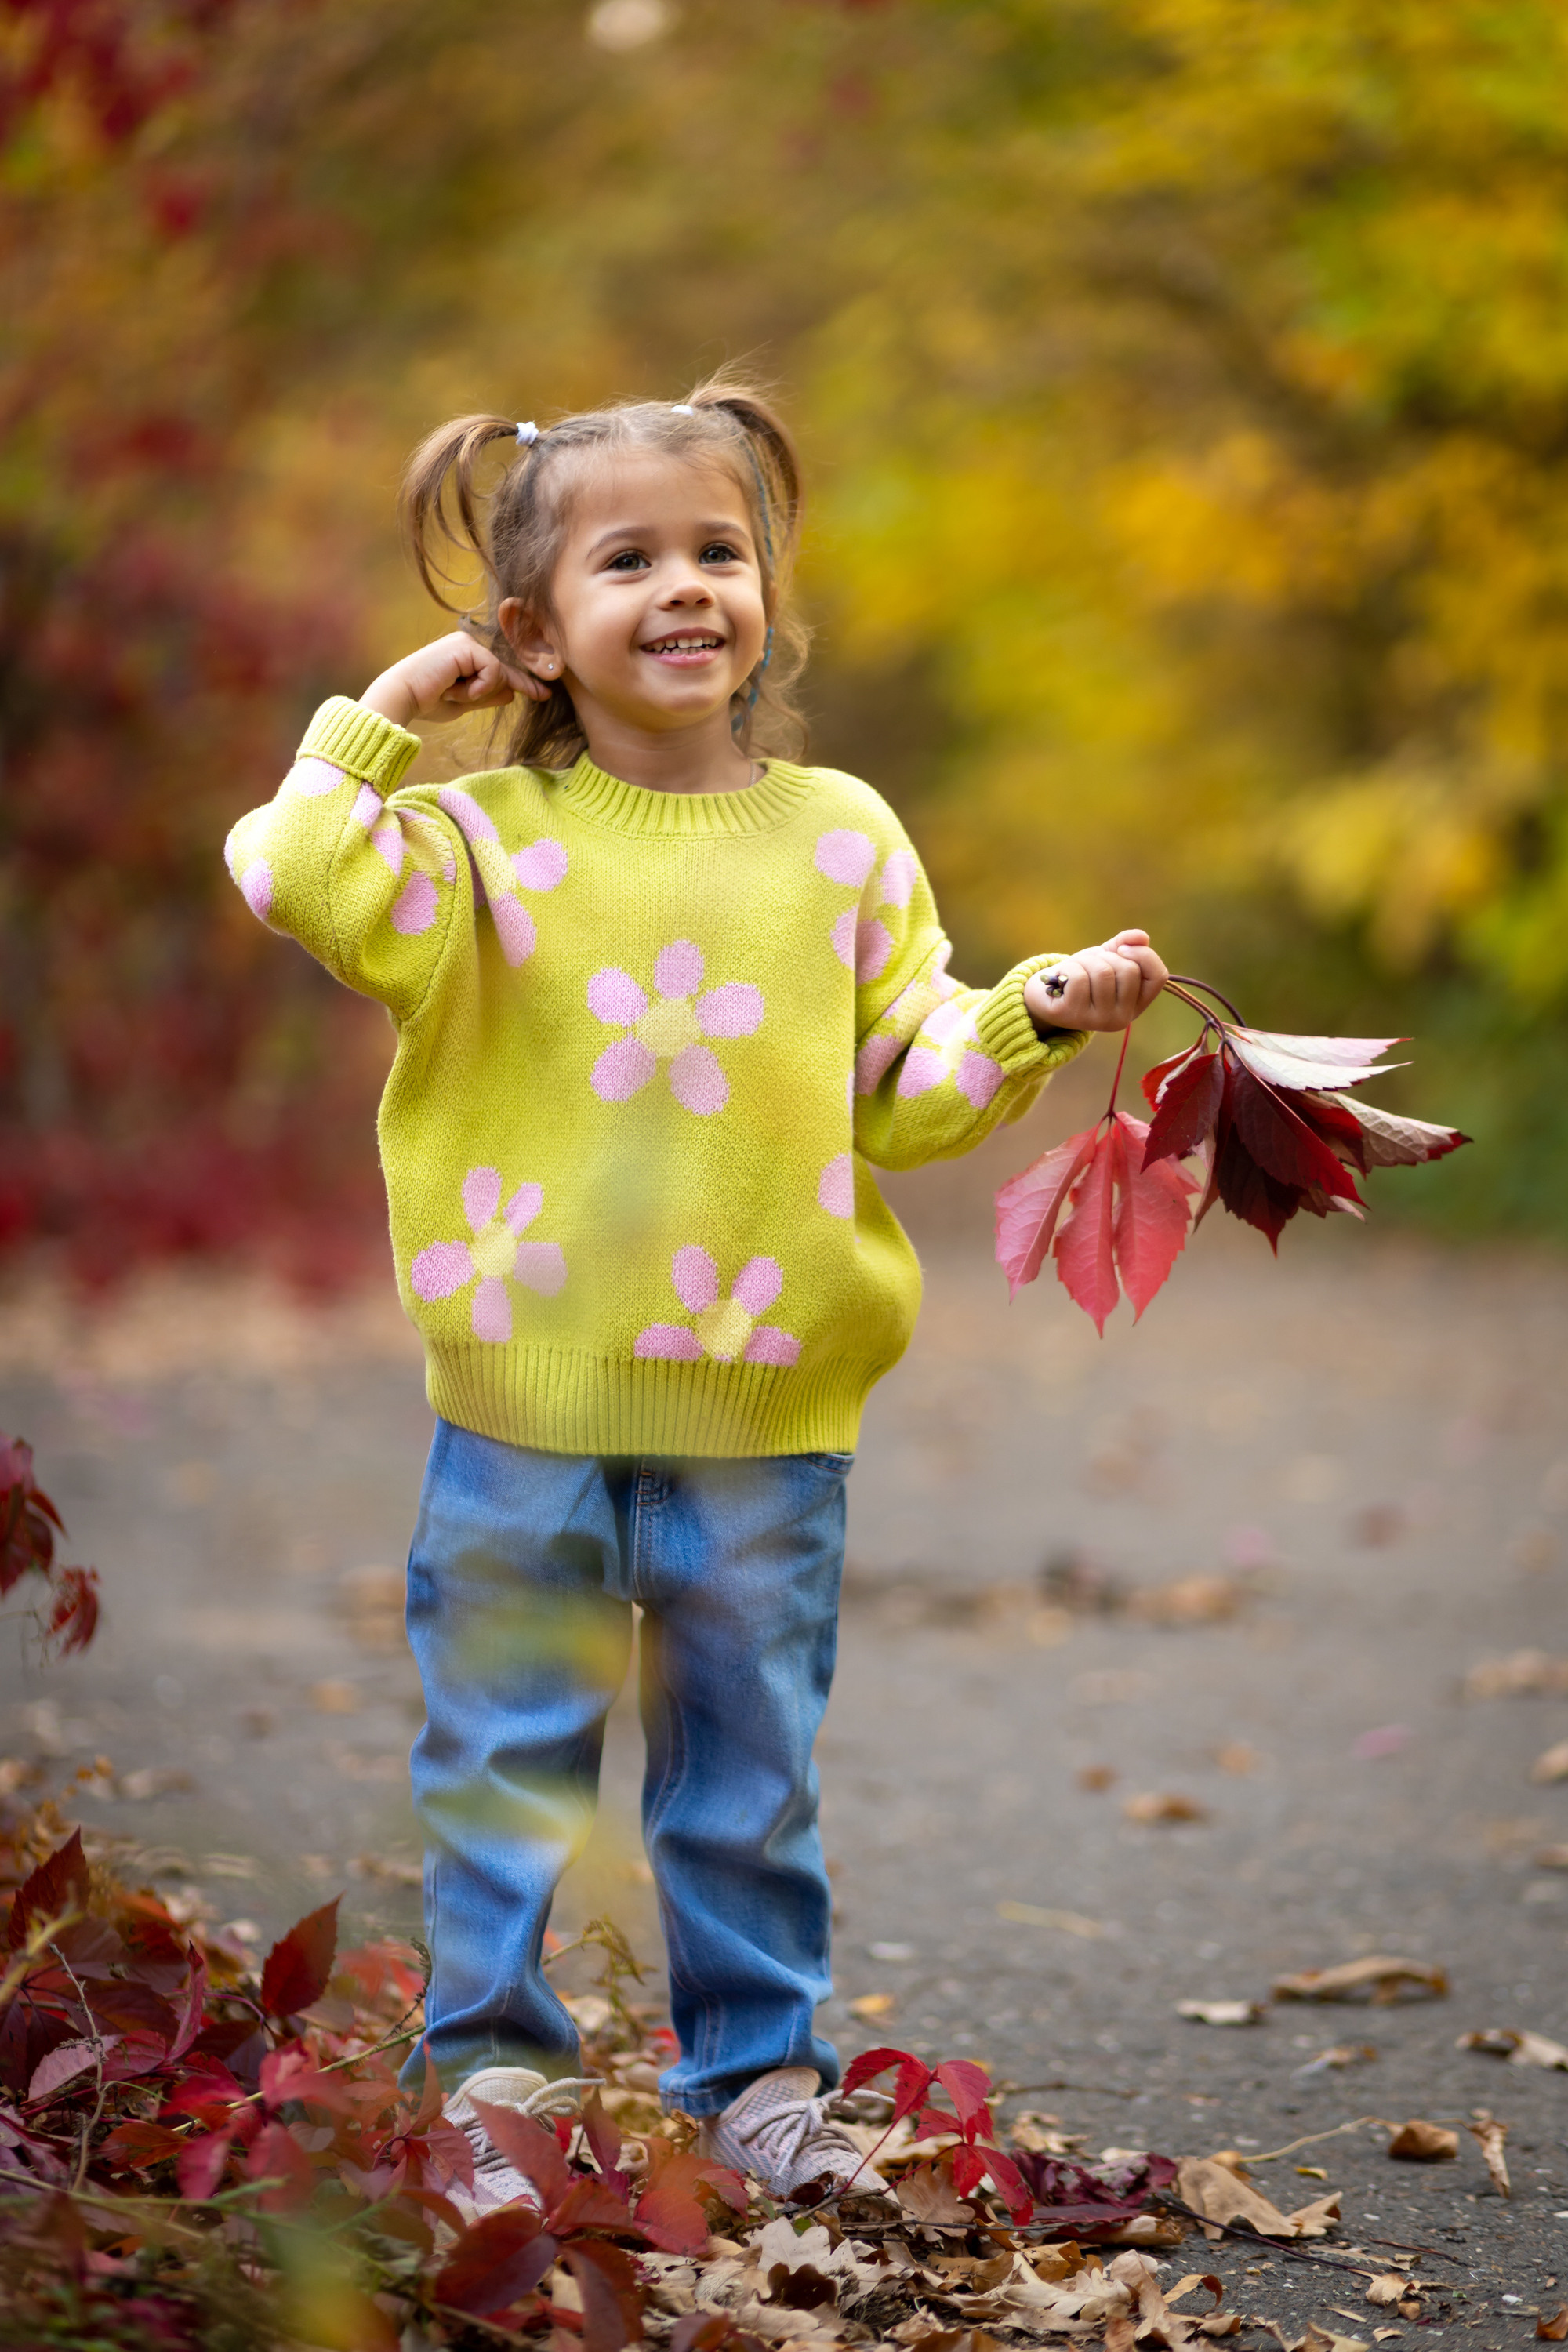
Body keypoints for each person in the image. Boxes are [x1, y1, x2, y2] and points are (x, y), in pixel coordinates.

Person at [223, 377, 1166, 2212]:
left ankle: (756, 2081)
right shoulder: (479, 844)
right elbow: (295, 877)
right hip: (521, 1412)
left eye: (718, 549)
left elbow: (898, 1093)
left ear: (767, 586)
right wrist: (383, 724)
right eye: (628, 557)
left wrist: (1026, 1014)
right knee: (505, 1763)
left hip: (763, 1420)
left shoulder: (839, 836)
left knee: (746, 1774)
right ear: (530, 632)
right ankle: (490, 2073)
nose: (685, 588)